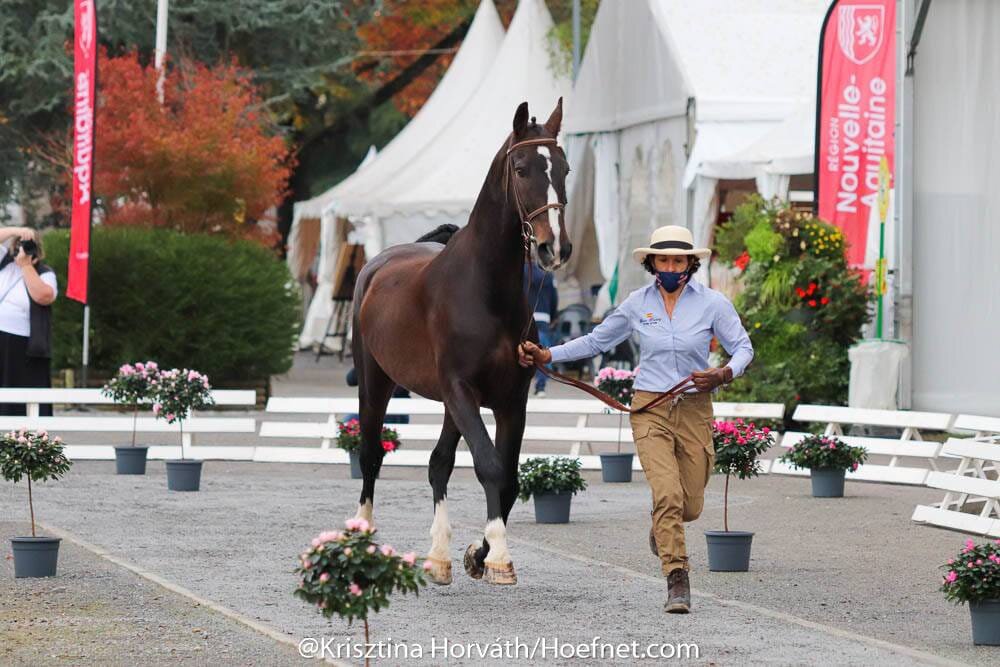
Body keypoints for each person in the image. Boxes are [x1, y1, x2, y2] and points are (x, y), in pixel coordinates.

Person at [518, 225, 753, 614]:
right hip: (650, 409)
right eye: (664, 260)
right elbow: (597, 341)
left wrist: (724, 373)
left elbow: (743, 347)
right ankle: (677, 579)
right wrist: (549, 354)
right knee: (667, 494)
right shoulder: (636, 304)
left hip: (695, 408)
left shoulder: (713, 304)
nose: (671, 267)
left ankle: (662, 526)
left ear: (690, 264)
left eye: (678, 261)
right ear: (652, 263)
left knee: (690, 505)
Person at [0, 227, 58, 416]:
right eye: (20, 245)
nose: (23, 249)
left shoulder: (44, 273)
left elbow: (44, 296)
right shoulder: (4, 263)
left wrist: (26, 266)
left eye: (28, 246)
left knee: (23, 393)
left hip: (24, 345)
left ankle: (26, 432)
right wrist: (17, 230)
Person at [523, 259, 558, 397]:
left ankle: (522, 386)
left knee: (522, 351)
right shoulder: (548, 274)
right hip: (543, 317)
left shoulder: (521, 271)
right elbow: (554, 298)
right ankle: (541, 386)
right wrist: (553, 315)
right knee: (542, 352)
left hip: (525, 316)